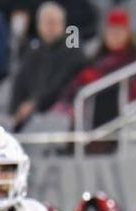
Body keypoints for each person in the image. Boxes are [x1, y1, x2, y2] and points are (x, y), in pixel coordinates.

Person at [9, 2, 87, 131]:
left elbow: (61, 83)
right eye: (47, 22)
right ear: (39, 25)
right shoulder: (32, 52)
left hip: (57, 112)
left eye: (55, 22)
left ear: (63, 24)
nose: (51, 27)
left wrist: (35, 104)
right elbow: (19, 83)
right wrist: (15, 109)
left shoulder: (72, 51)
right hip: (28, 115)